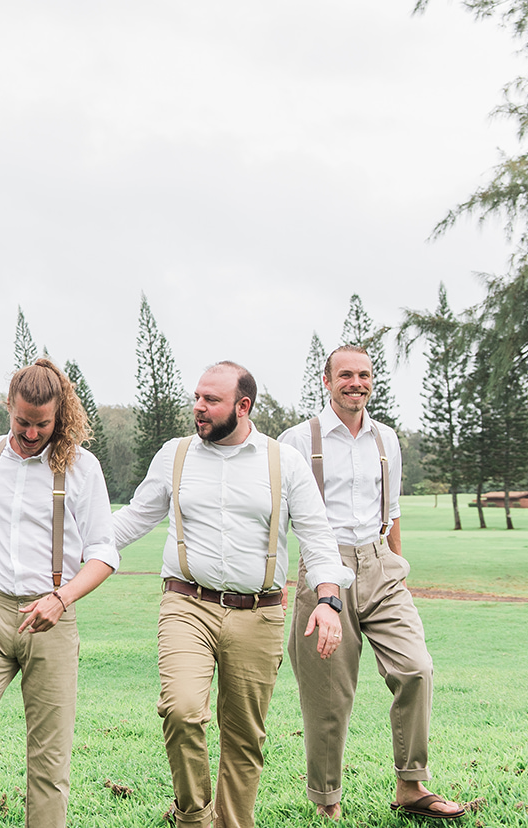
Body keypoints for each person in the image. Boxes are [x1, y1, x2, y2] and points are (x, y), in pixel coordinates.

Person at [112, 361, 353, 828]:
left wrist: (328, 600)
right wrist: (71, 551)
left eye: (211, 401)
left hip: (258, 613)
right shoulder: (174, 455)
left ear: (243, 407)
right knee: (181, 711)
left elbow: (319, 538)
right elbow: (133, 518)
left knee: (244, 739)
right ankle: (194, 817)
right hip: (186, 604)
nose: (198, 408)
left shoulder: (284, 461)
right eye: (197, 397)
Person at [279, 346, 466, 821]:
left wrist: (397, 567)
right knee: (328, 698)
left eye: (364, 375)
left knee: (416, 668)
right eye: (346, 375)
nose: (355, 383)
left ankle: (411, 784)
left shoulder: (387, 439)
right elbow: (278, 520)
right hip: (324, 570)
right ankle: (327, 802)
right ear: (326, 381)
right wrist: (281, 587)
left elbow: (394, 509)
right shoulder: (298, 440)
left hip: (381, 567)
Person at [0, 358, 120, 828]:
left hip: (52, 619)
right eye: (23, 421)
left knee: (48, 764)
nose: (32, 432)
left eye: (43, 423)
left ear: (59, 416)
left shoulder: (81, 467)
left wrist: (61, 600)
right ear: (9, 407)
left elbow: (104, 553)